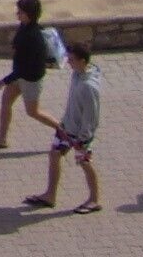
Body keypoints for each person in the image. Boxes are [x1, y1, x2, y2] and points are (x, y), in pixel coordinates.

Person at [25, 42, 103, 212]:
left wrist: (83, 139)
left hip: (80, 135)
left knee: (85, 162)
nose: (69, 62)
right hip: (66, 127)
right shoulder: (77, 74)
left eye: (72, 59)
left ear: (83, 61)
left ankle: (95, 200)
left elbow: (91, 115)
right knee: (54, 155)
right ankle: (50, 196)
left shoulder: (88, 87)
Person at [0, 0, 61, 148]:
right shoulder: (26, 27)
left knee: (33, 112)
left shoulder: (33, 37)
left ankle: (64, 130)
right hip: (21, 76)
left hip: (30, 79)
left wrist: (4, 80)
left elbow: (24, 67)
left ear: (28, 14)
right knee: (6, 102)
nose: (17, 14)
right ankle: (1, 139)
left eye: (20, 12)